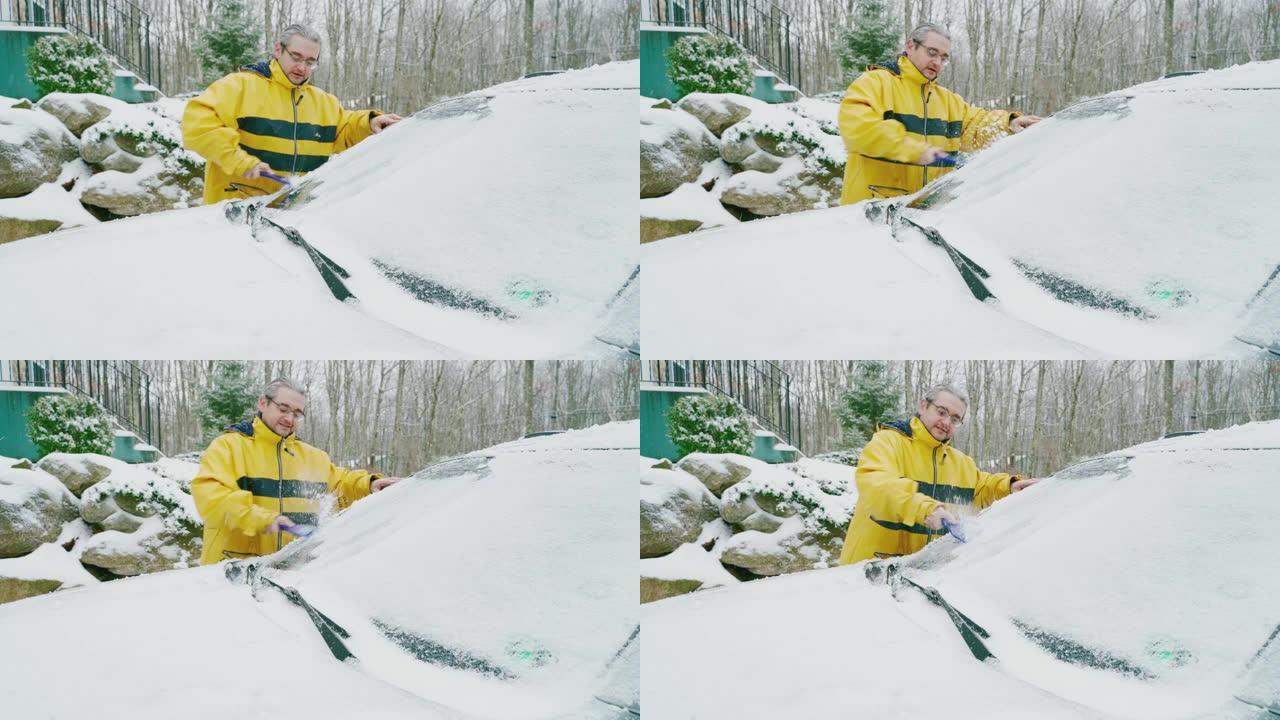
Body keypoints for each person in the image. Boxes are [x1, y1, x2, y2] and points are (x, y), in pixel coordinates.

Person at [181, 23, 403, 205]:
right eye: (296, 57)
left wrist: (371, 121)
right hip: (237, 215)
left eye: (310, 62)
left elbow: (344, 126)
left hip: (293, 222)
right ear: (278, 50)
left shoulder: (323, 101)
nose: (301, 68)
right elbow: (198, 126)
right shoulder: (240, 86)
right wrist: (239, 161)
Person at [191, 378, 401, 565]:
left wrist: (369, 484)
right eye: (283, 409)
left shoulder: (312, 457)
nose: (289, 419)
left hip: (287, 580)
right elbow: (212, 498)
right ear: (263, 403)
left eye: (296, 414)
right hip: (233, 573)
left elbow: (339, 484)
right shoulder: (228, 447)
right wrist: (263, 519)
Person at [838, 23, 1042, 204]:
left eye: (944, 58)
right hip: (872, 214)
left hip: (921, 222)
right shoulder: (875, 83)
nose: (937, 62)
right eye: (932, 53)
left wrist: (1009, 123)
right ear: (910, 46)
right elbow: (860, 130)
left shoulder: (947, 100)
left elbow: (976, 124)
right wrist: (915, 151)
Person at [838, 383, 1038, 565]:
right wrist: (924, 509)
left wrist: (1010, 486)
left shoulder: (960, 462)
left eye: (954, 419)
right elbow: (877, 485)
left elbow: (982, 487)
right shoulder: (888, 442)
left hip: (916, 580)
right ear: (923, 406)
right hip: (869, 571)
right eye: (941, 412)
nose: (946, 422)